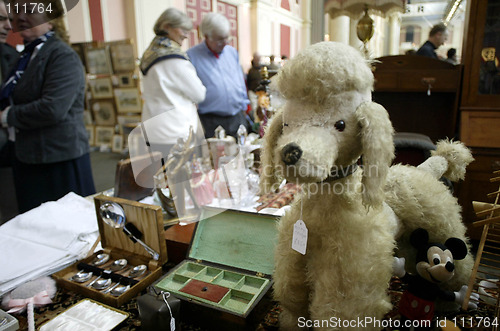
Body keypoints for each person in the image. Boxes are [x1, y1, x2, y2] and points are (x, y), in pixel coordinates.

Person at [0, 0, 95, 213]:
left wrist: (7, 116)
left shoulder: (61, 55)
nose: (21, 18)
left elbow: (53, 108)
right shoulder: (25, 57)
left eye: (31, 12)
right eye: (18, 12)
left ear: (51, 21)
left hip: (57, 159)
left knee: (67, 225)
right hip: (29, 156)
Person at [139, 7, 206, 159]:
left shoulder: (150, 53)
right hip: (175, 131)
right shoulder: (174, 58)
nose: (186, 35)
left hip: (153, 128)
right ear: (167, 27)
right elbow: (199, 94)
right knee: (180, 180)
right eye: (183, 29)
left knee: (160, 178)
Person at [187, 12, 250, 138]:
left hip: (237, 117)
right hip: (210, 121)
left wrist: (246, 106)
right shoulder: (191, 56)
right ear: (206, 36)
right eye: (220, 39)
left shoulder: (232, 52)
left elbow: (240, 80)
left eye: (227, 38)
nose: (225, 42)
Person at [0, 0, 18, 166]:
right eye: (0, 19)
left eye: (9, 20)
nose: (8, 26)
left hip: (9, 152)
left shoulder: (13, 57)